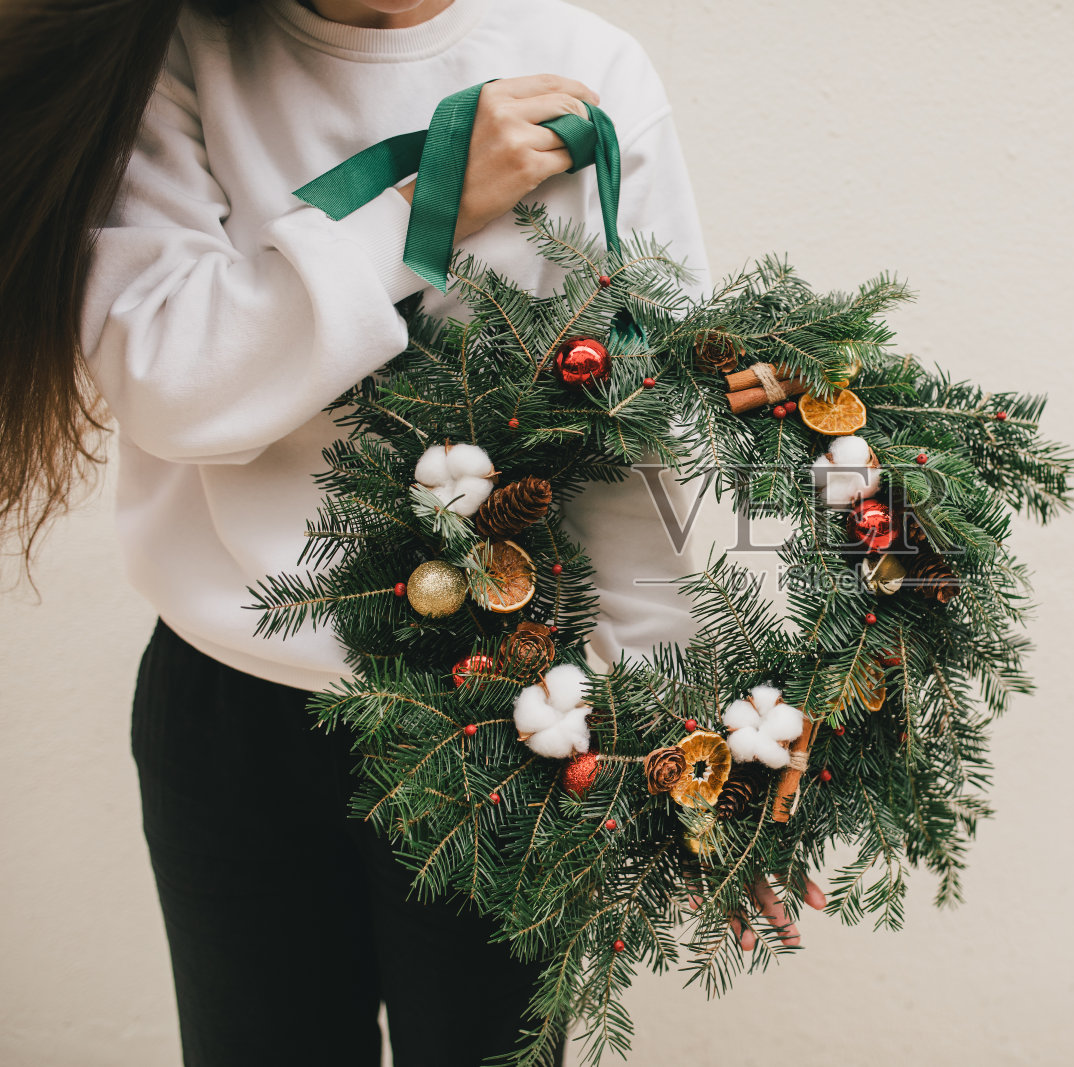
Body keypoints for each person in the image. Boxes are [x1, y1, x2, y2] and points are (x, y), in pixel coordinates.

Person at [0, 0, 823, 1062]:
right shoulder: (175, 57)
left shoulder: (585, 70)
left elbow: (635, 440)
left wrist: (692, 748)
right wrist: (422, 208)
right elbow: (173, 384)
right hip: (233, 712)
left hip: (513, 715)